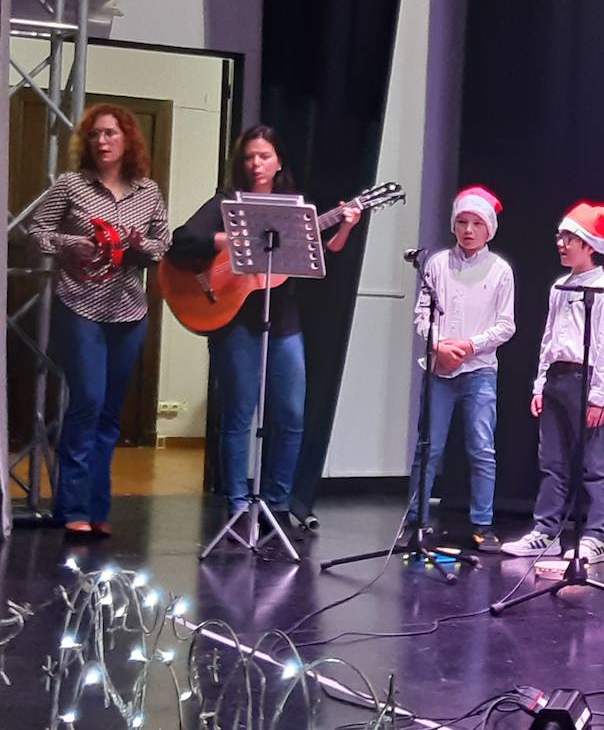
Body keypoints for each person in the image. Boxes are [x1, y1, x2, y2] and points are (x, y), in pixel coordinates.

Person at [168, 126, 358, 528]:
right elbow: (183, 240)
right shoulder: (227, 202)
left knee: (290, 414)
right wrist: (233, 240)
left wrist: (345, 225)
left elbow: (321, 254)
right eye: (250, 156)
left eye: (264, 156)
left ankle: (277, 503)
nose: (256, 164)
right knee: (239, 413)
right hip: (233, 318)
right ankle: (237, 502)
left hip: (283, 319)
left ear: (279, 162)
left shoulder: (295, 209)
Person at [29, 103, 169, 539]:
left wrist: (137, 242)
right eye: (95, 135)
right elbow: (35, 229)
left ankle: (97, 508)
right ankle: (71, 508)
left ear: (128, 140)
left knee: (110, 413)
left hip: (129, 309)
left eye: (110, 133)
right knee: (87, 401)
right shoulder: (71, 185)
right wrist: (70, 243)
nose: (102, 141)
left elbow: (162, 245)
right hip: (80, 305)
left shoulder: (148, 191)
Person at [503, 203, 604, 563]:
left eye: (569, 238)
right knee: (551, 461)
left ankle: (596, 536)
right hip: (557, 377)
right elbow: (548, 337)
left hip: (586, 380)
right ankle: (546, 532)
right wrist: (540, 383)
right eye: (560, 236)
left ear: (589, 245)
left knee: (595, 464)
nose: (561, 243)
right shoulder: (559, 286)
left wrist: (601, 397)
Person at [403, 185, 515, 552]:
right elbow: (422, 315)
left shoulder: (499, 271)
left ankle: (482, 523)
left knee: (482, 448)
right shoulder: (437, 264)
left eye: (476, 223)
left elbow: (505, 325)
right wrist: (438, 344)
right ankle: (416, 519)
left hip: (479, 370)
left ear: (489, 229)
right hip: (440, 369)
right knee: (428, 447)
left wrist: (469, 346)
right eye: (462, 222)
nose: (468, 230)